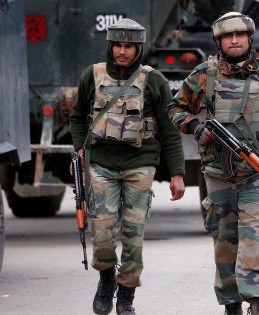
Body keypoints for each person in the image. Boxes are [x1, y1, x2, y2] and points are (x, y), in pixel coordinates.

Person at [166, 12, 259, 315]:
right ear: (220, 41)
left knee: (255, 236)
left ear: (249, 39)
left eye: (240, 35)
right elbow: (175, 108)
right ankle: (231, 304)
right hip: (217, 173)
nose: (235, 40)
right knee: (225, 241)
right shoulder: (205, 75)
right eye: (228, 36)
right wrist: (195, 127)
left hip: (255, 173)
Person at [69, 18, 186, 315]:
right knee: (103, 232)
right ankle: (106, 280)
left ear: (139, 48)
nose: (122, 52)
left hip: (140, 164)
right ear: (111, 46)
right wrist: (80, 151)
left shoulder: (154, 80)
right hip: (101, 164)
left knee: (134, 235)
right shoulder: (91, 76)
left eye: (129, 46)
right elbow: (77, 116)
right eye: (118, 45)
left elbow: (169, 129)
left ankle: (126, 297)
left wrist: (176, 174)